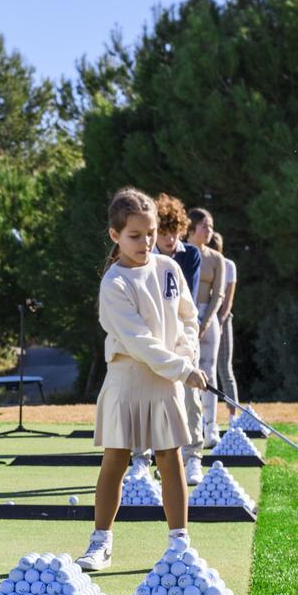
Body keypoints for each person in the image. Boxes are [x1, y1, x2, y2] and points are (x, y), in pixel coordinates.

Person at [76, 188, 206, 573]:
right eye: (135, 235)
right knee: (116, 457)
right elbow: (140, 342)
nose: (146, 242)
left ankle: (179, 543)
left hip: (166, 380)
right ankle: (101, 543)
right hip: (128, 378)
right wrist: (181, 369)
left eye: (150, 233)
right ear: (115, 235)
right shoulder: (113, 284)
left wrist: (186, 355)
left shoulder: (169, 268)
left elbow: (186, 317)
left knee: (170, 458)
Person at [129, 194, 202, 476]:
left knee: (189, 397)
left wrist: (185, 351)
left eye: (175, 232)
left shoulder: (190, 256)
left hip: (180, 338)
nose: (171, 239)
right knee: (142, 397)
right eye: (165, 233)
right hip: (151, 341)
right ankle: (141, 460)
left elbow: (186, 303)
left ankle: (193, 456)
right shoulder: (143, 259)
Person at [185, 207, 227, 455]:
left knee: (209, 372)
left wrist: (206, 321)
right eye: (204, 226)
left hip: (207, 317)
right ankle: (192, 428)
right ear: (192, 228)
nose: (209, 231)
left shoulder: (216, 258)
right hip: (184, 315)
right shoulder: (182, 252)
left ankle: (211, 426)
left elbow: (219, 294)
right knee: (188, 372)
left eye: (211, 226)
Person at [209, 231, 239, 415]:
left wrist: (219, 321)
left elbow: (228, 299)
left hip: (222, 318)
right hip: (204, 317)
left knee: (224, 369)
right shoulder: (202, 261)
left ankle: (232, 416)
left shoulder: (228, 266)